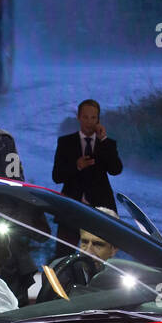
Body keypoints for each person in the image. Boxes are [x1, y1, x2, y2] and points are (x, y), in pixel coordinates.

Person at [51, 100, 122, 253]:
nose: (89, 122)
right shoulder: (65, 142)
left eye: (93, 118)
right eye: (85, 117)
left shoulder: (107, 143)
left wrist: (103, 140)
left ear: (98, 120)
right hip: (70, 208)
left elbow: (116, 170)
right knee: (63, 255)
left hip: (99, 209)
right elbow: (57, 176)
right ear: (78, 117)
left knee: (97, 259)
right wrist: (77, 166)